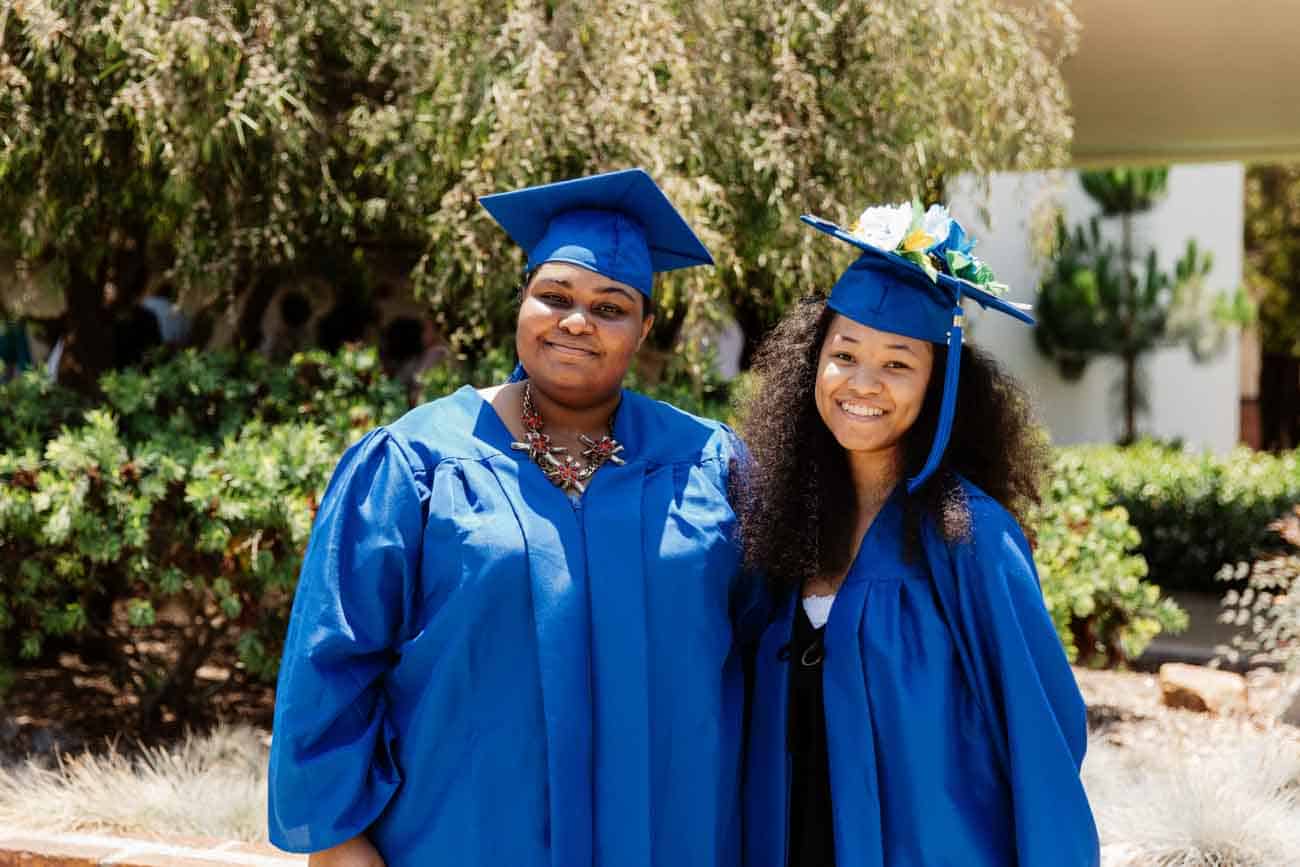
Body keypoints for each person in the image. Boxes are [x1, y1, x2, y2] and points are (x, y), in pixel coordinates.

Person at [268, 169, 759, 867]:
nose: (576, 321)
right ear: (520, 303)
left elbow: (768, 654)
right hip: (460, 839)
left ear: (645, 327)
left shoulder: (710, 464)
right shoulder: (417, 462)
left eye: (611, 306)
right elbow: (332, 663)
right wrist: (341, 845)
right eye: (553, 296)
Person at [737, 204, 1100, 866]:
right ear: (811, 363)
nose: (863, 384)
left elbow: (1042, 733)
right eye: (843, 354)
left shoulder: (969, 536)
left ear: (941, 383)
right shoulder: (786, 521)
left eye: (898, 364)